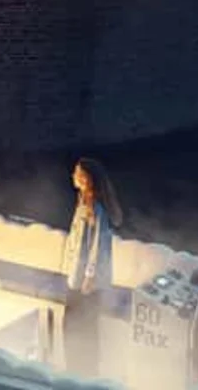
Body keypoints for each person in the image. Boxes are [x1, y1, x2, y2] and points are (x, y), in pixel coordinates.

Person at [60, 157, 121, 377]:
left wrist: (89, 276)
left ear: (86, 178)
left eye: (77, 173)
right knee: (75, 325)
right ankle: (77, 370)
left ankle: (82, 372)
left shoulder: (96, 208)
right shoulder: (84, 202)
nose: (73, 176)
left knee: (81, 326)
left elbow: (97, 244)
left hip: (85, 282)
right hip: (77, 278)